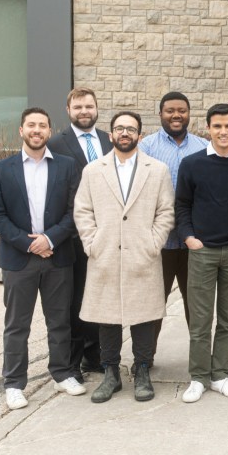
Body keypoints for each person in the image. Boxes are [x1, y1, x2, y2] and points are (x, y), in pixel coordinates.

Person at [0, 108, 86, 410]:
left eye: (42, 125)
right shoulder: (2, 169)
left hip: (58, 257)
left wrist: (50, 238)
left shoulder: (67, 167)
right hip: (19, 260)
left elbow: (76, 211)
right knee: (17, 325)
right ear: (21, 130)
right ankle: (15, 384)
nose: (37, 130)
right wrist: (30, 244)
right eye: (31, 125)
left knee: (60, 321)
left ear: (49, 131)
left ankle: (62, 373)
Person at [73, 111, 175, 403]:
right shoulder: (94, 170)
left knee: (143, 316)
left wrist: (153, 242)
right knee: (108, 317)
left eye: (131, 129)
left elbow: (166, 211)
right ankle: (110, 374)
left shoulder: (157, 170)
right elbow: (82, 210)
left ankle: (142, 370)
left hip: (143, 254)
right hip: (105, 254)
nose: (125, 133)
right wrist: (92, 243)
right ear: (111, 135)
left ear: (140, 136)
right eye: (119, 128)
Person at [176, 104, 228, 404]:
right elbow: (181, 205)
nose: (223, 132)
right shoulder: (192, 164)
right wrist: (189, 238)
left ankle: (220, 375)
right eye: (217, 126)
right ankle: (198, 377)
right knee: (200, 319)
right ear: (208, 128)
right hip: (202, 251)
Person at [46, 87, 113, 380]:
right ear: (68, 110)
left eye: (89, 106)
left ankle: (95, 356)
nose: (84, 111)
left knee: (102, 296)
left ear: (96, 108)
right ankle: (71, 363)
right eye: (78, 107)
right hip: (73, 235)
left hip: (108, 235)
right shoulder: (56, 144)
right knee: (75, 301)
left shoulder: (108, 140)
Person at [140, 91, 207, 361]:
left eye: (181, 110)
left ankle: (201, 359)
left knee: (197, 306)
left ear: (189, 113)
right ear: (160, 114)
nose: (176, 115)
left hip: (195, 242)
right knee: (153, 304)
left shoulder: (203, 146)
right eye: (170, 111)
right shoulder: (146, 147)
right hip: (159, 243)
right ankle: (145, 357)